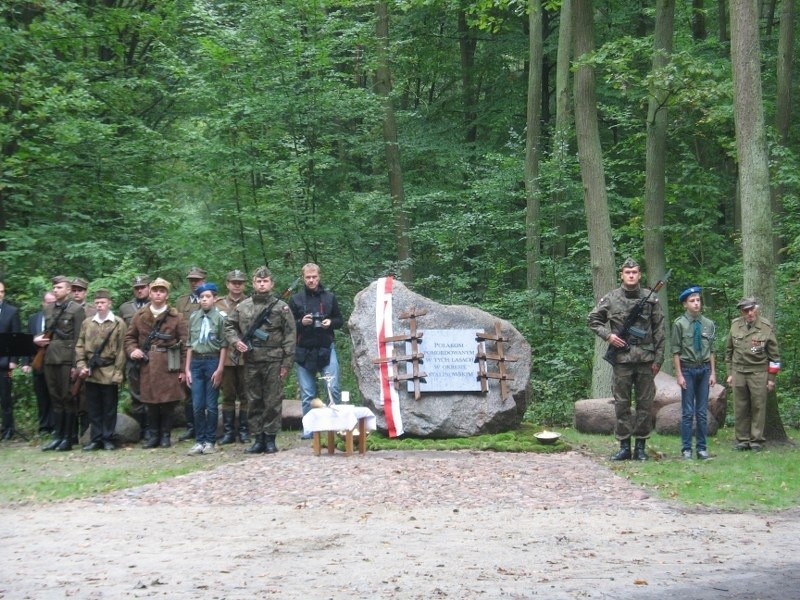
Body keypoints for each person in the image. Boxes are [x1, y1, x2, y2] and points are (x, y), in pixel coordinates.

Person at [587, 258, 665, 461]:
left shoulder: (651, 299)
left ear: (639, 275)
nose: (631, 275)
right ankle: (624, 446)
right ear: (621, 275)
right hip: (622, 360)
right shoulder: (611, 299)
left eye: (635, 272)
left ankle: (640, 447)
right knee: (622, 403)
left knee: (644, 404)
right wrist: (609, 336)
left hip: (645, 360)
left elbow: (659, 331)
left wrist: (658, 359)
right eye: (627, 272)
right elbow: (593, 320)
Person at [224, 266, 295, 454]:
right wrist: (236, 342)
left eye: (265, 281)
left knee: (272, 400)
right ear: (254, 283)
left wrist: (286, 363)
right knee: (254, 400)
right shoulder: (243, 306)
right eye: (258, 281)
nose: (262, 284)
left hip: (274, 360)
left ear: (271, 284)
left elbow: (290, 336)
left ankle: (270, 438)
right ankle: (257, 438)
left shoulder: (281, 307)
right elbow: (228, 326)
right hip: (252, 359)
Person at [124, 277, 188, 449]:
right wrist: (133, 350)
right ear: (150, 293)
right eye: (155, 291)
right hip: (147, 364)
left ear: (167, 295)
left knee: (167, 402)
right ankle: (153, 436)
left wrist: (183, 370)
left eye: (162, 291)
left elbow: (184, 344)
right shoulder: (140, 316)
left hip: (169, 363)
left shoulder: (176, 317)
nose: (158, 294)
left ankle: (165, 435)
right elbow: (130, 337)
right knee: (150, 401)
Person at [289, 263, 344, 439]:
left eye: (314, 277)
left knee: (333, 387)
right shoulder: (296, 299)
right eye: (308, 277)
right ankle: (309, 429)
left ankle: (335, 428)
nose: (311, 280)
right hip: (304, 349)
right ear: (303, 278)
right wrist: (301, 323)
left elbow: (340, 320)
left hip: (326, 347)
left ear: (319, 277)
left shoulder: (329, 297)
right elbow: (288, 325)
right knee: (307, 393)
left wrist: (330, 323)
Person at [35, 275, 85, 451]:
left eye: (60, 288)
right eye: (54, 288)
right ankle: (58, 436)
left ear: (68, 290)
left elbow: (79, 338)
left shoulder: (77, 309)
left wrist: (76, 365)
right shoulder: (48, 309)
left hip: (67, 359)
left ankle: (68, 437)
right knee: (55, 397)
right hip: (50, 358)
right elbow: (46, 333)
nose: (56, 290)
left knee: (67, 398)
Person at [725, 297, 780, 452]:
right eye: (746, 310)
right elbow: (729, 352)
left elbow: (775, 357)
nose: (749, 313)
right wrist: (730, 373)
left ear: (757, 308)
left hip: (758, 373)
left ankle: (756, 440)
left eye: (752, 309)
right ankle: (742, 440)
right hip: (739, 372)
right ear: (741, 312)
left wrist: (771, 379)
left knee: (758, 406)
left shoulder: (766, 327)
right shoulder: (735, 325)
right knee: (740, 407)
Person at [75, 289, 127, 451]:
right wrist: (81, 366)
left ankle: (108, 437)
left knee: (109, 407)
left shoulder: (118, 323)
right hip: (91, 371)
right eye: (97, 303)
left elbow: (121, 351)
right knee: (93, 407)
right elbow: (80, 345)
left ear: (109, 303)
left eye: (103, 302)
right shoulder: (87, 323)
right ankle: (96, 438)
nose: (100, 305)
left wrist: (118, 373)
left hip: (109, 369)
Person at [671, 286, 716, 460]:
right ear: (685, 304)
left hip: (704, 369)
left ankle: (702, 449)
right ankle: (686, 449)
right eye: (692, 301)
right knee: (688, 411)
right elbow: (675, 351)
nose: (696, 303)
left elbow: (712, 350)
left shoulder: (708, 324)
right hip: (688, 370)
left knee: (702, 411)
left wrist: (713, 373)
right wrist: (679, 374)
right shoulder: (679, 324)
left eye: (698, 300)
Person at [185, 283, 227, 455]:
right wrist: (187, 369)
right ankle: (199, 440)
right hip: (196, 363)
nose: (204, 300)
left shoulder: (220, 318)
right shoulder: (194, 317)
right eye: (202, 297)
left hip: (212, 361)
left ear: (214, 299)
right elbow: (189, 344)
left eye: (208, 297)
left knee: (211, 405)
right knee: (197, 404)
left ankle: (210, 440)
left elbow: (224, 345)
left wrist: (220, 369)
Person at [215, 269, 250, 445]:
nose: (237, 285)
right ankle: (228, 432)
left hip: (245, 354)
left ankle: (244, 431)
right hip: (226, 355)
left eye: (240, 282)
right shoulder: (218, 304)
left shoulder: (251, 303)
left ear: (244, 284)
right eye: (233, 282)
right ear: (227, 284)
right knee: (228, 395)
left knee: (245, 394)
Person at [175, 267, 207, 443]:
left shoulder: (211, 299)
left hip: (207, 350)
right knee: (188, 391)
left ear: (204, 279)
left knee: (209, 392)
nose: (194, 283)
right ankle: (191, 427)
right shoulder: (181, 303)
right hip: (188, 351)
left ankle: (207, 427)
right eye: (191, 280)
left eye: (197, 279)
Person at [118, 274, 151, 437]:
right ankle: (141, 429)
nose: (140, 290)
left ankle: (154, 428)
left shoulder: (158, 305)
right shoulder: (125, 308)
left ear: (149, 287)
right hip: (132, 355)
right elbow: (123, 334)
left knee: (153, 392)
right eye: (137, 288)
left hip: (153, 356)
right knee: (136, 393)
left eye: (143, 287)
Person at [22, 291, 56, 434]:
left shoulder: (58, 318)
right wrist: (25, 362)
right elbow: (26, 342)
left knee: (54, 395)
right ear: (43, 303)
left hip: (53, 360)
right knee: (41, 396)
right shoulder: (33, 319)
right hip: (37, 362)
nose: (50, 305)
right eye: (47, 302)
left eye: (53, 302)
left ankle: (55, 426)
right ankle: (43, 427)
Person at [0, 281, 22, 440]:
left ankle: (8, 428)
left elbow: (17, 338)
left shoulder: (12, 312)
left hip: (4, 362)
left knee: (5, 397)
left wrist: (14, 360)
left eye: (1, 292)